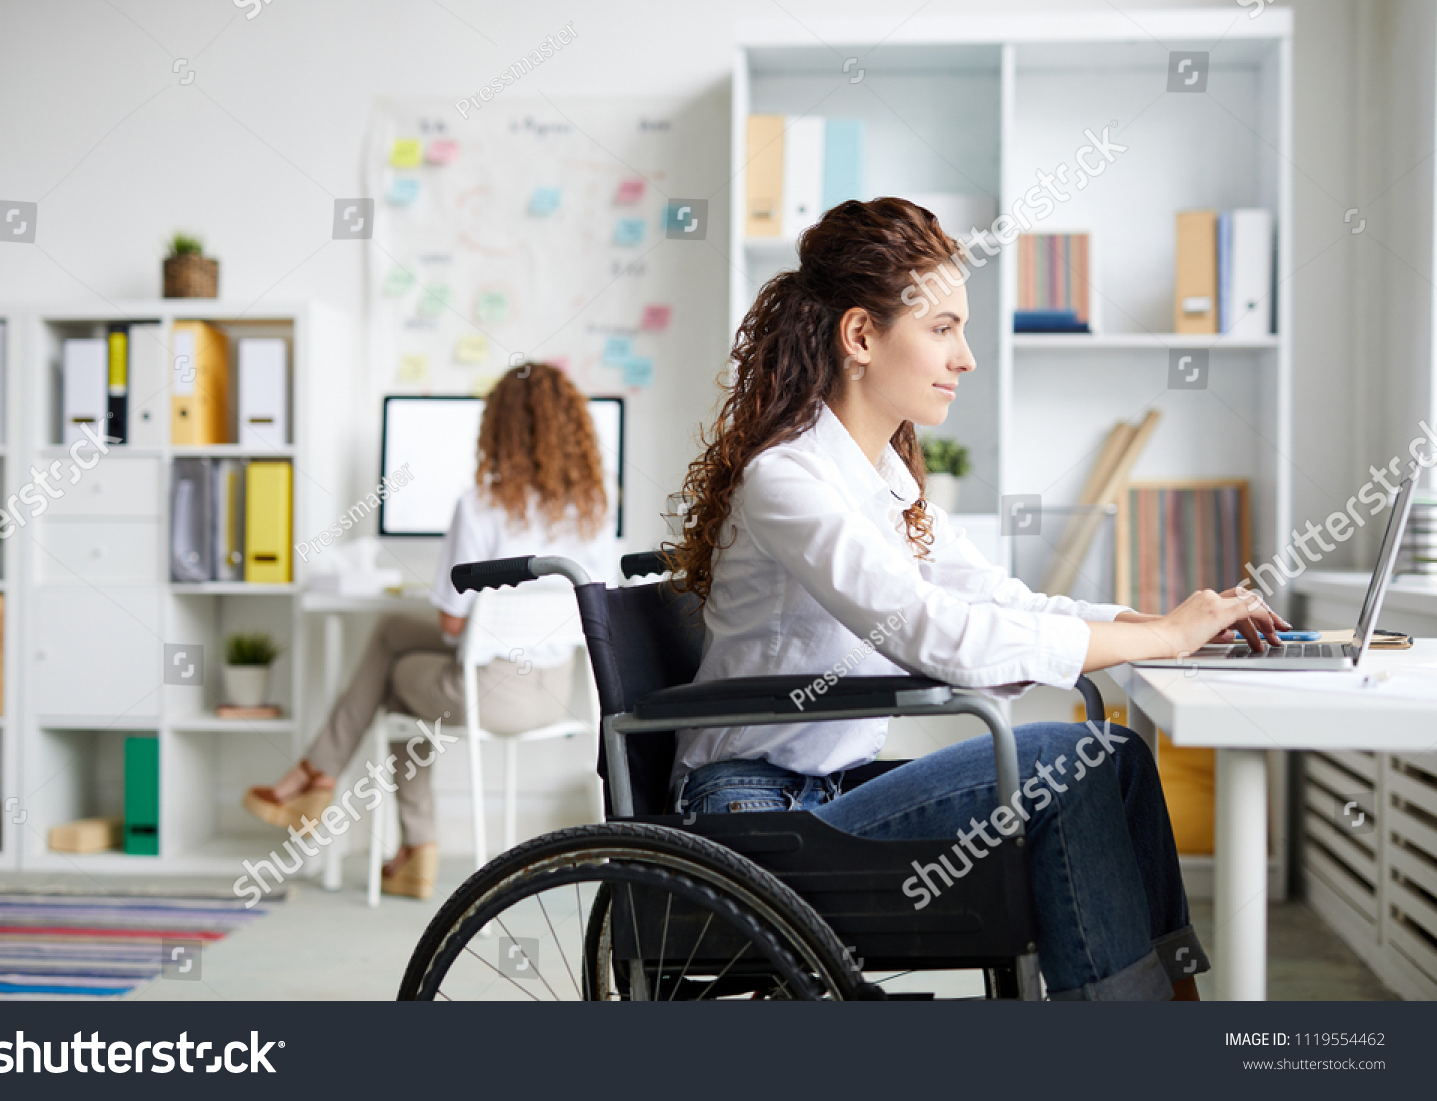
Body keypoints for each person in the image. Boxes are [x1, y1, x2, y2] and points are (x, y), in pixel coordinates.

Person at [665, 198, 1290, 1000]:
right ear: (861, 336)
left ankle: (1166, 1012)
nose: (965, 357)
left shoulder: (883, 481)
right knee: (1078, 759)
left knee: (1122, 758)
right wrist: (1161, 640)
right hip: (757, 817)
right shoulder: (788, 479)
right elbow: (938, 635)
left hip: (832, 792)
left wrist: (1155, 622)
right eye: (943, 328)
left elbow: (996, 598)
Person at [245, 363, 616, 899]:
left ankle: (369, 814)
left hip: (490, 696)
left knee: (394, 677)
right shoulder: (594, 510)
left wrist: (471, 626)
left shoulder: (482, 504)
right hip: (555, 695)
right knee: (394, 629)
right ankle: (353, 806)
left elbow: (449, 620)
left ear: (499, 431)